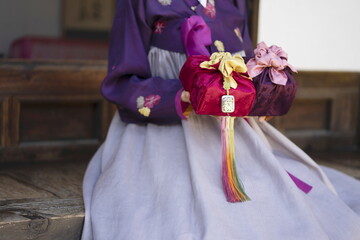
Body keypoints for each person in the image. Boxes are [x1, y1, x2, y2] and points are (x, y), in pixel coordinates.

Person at [81, 0, 360, 239]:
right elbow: (121, 83)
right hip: (162, 134)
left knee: (280, 208)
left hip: (236, 137)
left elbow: (247, 66)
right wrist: (183, 95)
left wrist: (261, 88)